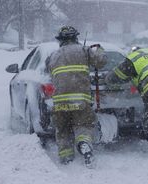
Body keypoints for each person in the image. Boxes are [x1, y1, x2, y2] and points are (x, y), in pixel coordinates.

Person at [46, 26, 107, 166]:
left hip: (59, 102)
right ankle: (84, 143)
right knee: (84, 124)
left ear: (60, 40)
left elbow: (49, 71)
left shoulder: (53, 56)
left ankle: (66, 158)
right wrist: (100, 50)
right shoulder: (84, 50)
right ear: (76, 38)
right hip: (80, 100)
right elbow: (101, 61)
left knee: (63, 130)